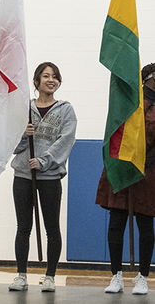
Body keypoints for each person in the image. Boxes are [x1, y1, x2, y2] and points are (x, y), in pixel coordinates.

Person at [8, 62, 77, 292]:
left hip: (49, 177)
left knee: (52, 227)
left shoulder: (65, 109)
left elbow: (65, 141)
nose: (51, 80)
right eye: (46, 76)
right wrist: (22, 134)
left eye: (55, 76)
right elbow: (13, 145)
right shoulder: (24, 109)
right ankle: (21, 275)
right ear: (36, 81)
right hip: (23, 175)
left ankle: (50, 276)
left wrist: (44, 161)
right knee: (23, 227)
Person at [96, 62, 155, 295]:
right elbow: (116, 127)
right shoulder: (130, 100)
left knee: (145, 222)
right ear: (149, 77)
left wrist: (144, 159)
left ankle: (142, 276)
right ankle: (116, 275)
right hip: (122, 165)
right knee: (117, 221)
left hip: (147, 169)